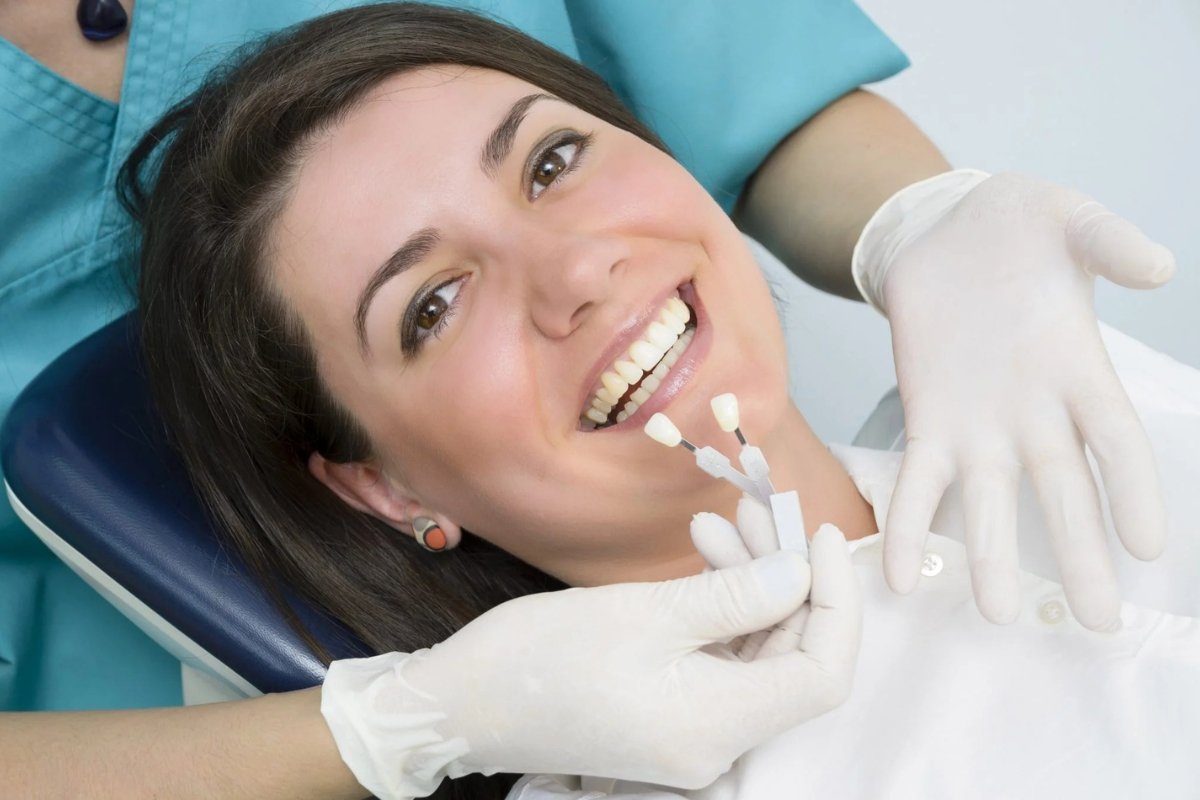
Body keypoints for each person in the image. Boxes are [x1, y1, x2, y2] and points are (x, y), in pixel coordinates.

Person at [120, 4, 1196, 799]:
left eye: (552, 161)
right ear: (384, 486)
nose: (575, 271)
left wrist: (933, 211)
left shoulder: (1069, 377)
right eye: (434, 304)